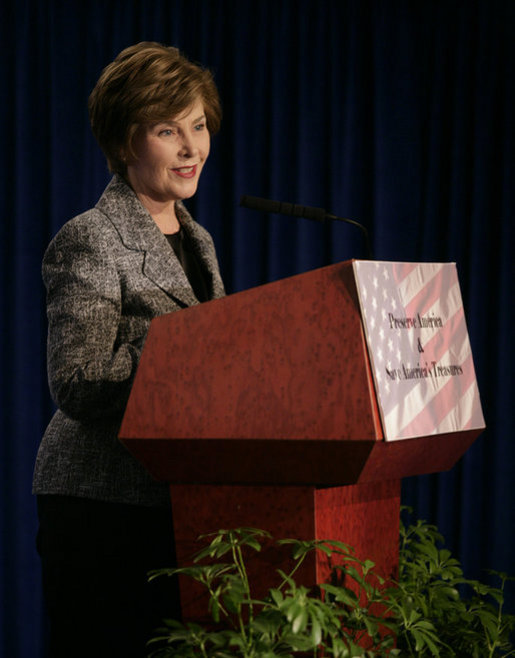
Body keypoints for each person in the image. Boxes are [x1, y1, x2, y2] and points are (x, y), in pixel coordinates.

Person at [33, 42, 225, 658]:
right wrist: (182, 352)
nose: (192, 147)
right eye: (168, 130)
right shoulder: (90, 239)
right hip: (100, 506)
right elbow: (79, 379)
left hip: (177, 499)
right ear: (123, 142)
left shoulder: (200, 241)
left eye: (198, 126)